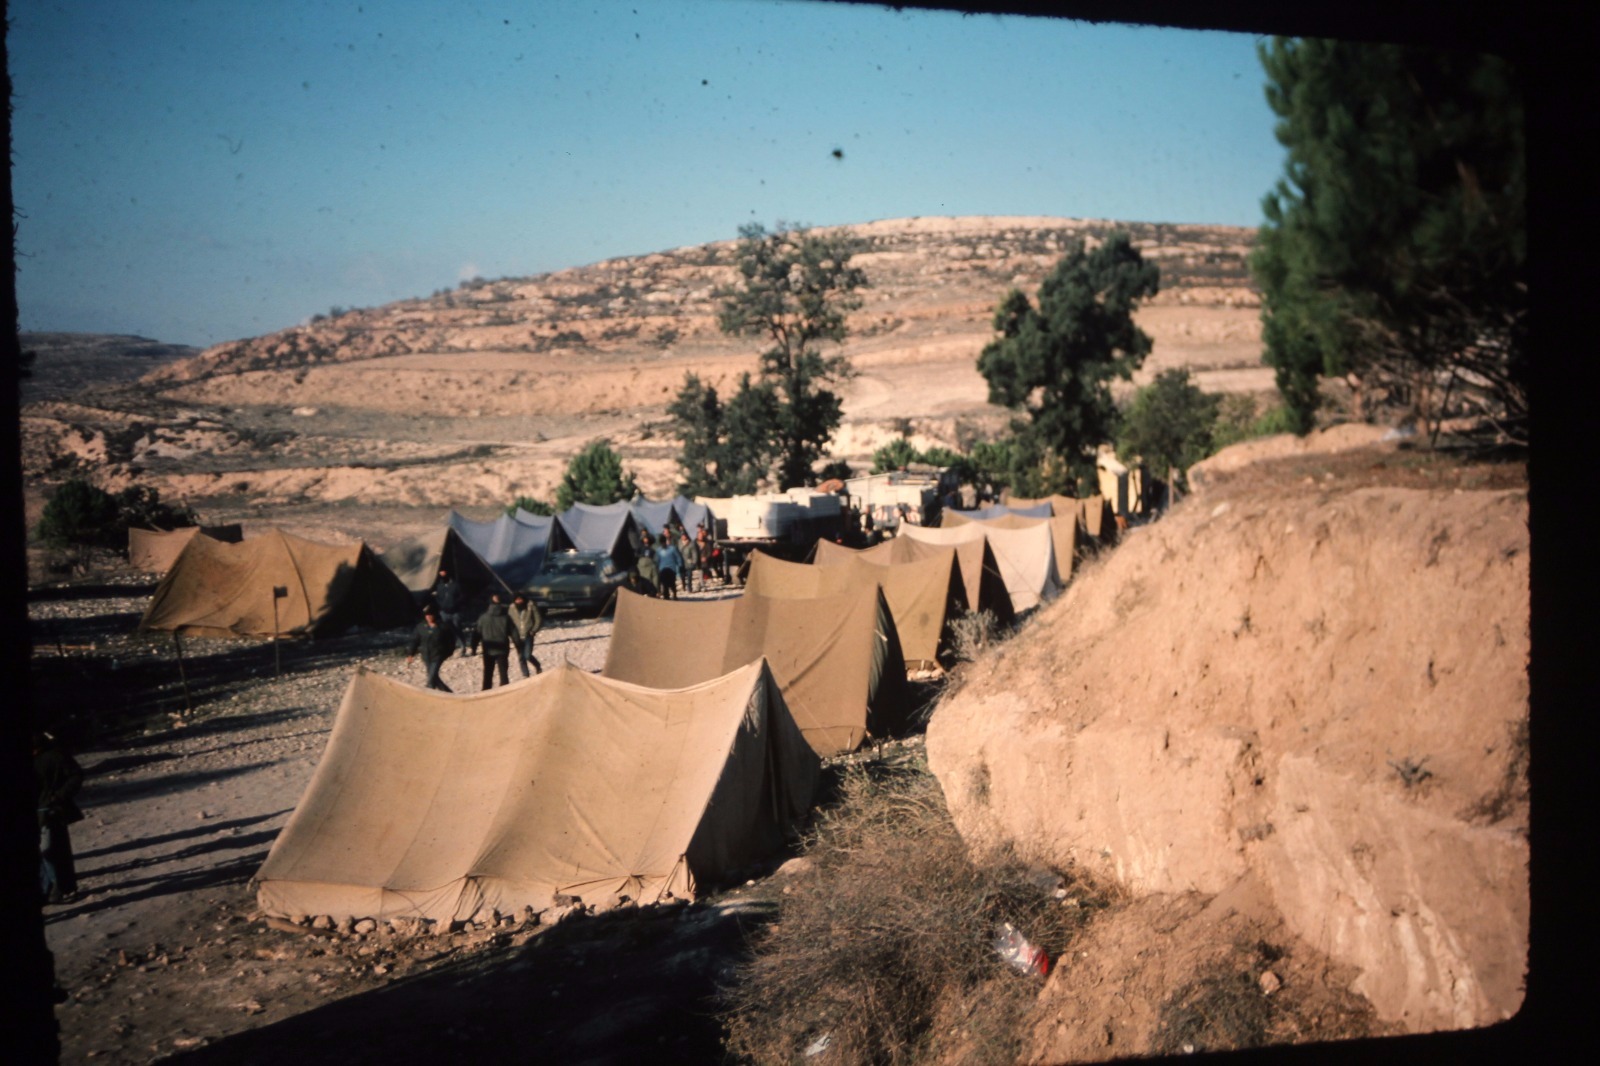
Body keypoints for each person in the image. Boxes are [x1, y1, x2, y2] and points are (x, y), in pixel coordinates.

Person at [35, 731, 84, 905]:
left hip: (52, 811)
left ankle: (60, 888)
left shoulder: (55, 755)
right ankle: (49, 889)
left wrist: (59, 797)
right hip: (40, 810)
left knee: (51, 851)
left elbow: (76, 775)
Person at [406, 606, 458, 692]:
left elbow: (451, 641)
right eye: (427, 615)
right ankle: (448, 693)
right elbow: (414, 641)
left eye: (431, 615)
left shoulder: (443, 627)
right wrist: (410, 653)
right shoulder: (421, 627)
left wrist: (448, 652)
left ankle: (429, 694)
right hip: (426, 655)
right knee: (433, 677)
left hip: (438, 655)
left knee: (431, 679)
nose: (429, 617)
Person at [508, 592, 543, 677]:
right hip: (517, 635)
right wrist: (511, 633)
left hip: (528, 634)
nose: (519, 601)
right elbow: (509, 621)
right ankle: (525, 674)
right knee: (521, 657)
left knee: (527, 655)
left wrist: (533, 630)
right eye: (517, 600)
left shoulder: (530, 606)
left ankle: (537, 665)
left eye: (520, 599)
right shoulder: (511, 609)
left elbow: (538, 619)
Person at [433, 569, 467, 652]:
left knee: (457, 628)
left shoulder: (455, 585)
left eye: (444, 574)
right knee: (448, 630)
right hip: (444, 612)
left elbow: (462, 596)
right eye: (441, 575)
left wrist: (455, 603)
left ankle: (462, 645)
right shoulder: (439, 586)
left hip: (455, 611)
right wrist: (441, 605)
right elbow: (437, 598)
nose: (442, 577)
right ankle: (451, 647)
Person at [656, 534, 683, 600]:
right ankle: (666, 597)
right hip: (662, 569)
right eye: (661, 543)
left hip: (672, 569)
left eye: (663, 542)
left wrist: (680, 565)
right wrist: (656, 568)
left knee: (672, 583)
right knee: (664, 584)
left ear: (666, 542)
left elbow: (678, 557)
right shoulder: (658, 550)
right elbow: (657, 560)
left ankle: (674, 594)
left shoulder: (672, 549)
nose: (663, 544)